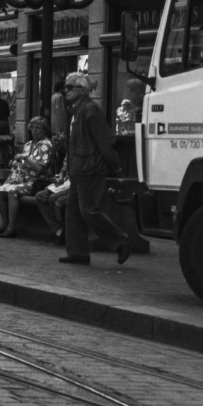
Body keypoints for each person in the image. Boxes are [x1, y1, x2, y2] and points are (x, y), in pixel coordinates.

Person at [60, 72, 132, 266]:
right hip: (79, 168)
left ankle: (121, 240)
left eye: (70, 87)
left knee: (89, 210)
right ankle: (78, 253)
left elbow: (104, 139)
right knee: (74, 212)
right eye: (65, 87)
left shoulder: (90, 110)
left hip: (90, 168)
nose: (66, 90)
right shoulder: (77, 110)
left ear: (82, 90)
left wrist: (114, 164)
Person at [0, 116, 54, 238]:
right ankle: (4, 224)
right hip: (21, 179)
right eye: (32, 127)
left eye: (38, 128)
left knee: (12, 192)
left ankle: (11, 228)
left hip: (36, 182)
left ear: (45, 130)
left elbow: (39, 168)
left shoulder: (46, 145)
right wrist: (14, 163)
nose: (34, 130)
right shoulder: (28, 144)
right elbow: (22, 163)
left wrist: (25, 158)